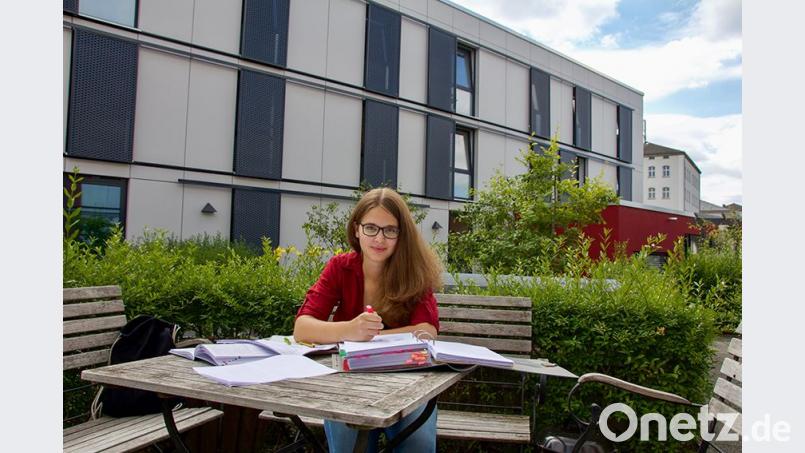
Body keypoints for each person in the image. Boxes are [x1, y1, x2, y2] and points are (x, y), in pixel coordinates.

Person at [294, 187, 443, 453]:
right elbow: (302, 327)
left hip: (407, 380)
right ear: (356, 230)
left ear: (401, 235)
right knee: (348, 446)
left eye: (390, 230)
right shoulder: (340, 267)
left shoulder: (414, 272)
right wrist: (350, 329)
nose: (380, 238)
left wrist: (367, 338)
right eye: (371, 228)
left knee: (417, 445)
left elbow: (427, 332)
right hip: (348, 381)